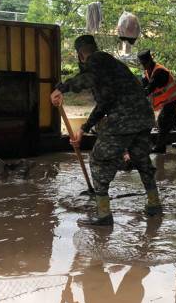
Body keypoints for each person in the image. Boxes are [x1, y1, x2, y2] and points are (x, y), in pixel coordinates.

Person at [50, 35, 159, 226]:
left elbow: (87, 78)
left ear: (80, 54)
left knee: (98, 159)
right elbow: (104, 104)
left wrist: (62, 88)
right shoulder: (110, 66)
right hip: (143, 118)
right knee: (141, 159)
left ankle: (103, 214)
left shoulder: (97, 60)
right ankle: (154, 203)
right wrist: (84, 128)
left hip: (124, 120)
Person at [138, 49, 176, 154]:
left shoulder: (159, 72)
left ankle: (160, 147)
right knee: (174, 119)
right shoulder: (148, 71)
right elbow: (143, 85)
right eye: (141, 63)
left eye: (144, 63)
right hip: (168, 99)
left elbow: (149, 88)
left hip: (172, 98)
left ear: (149, 61)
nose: (142, 65)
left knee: (162, 120)